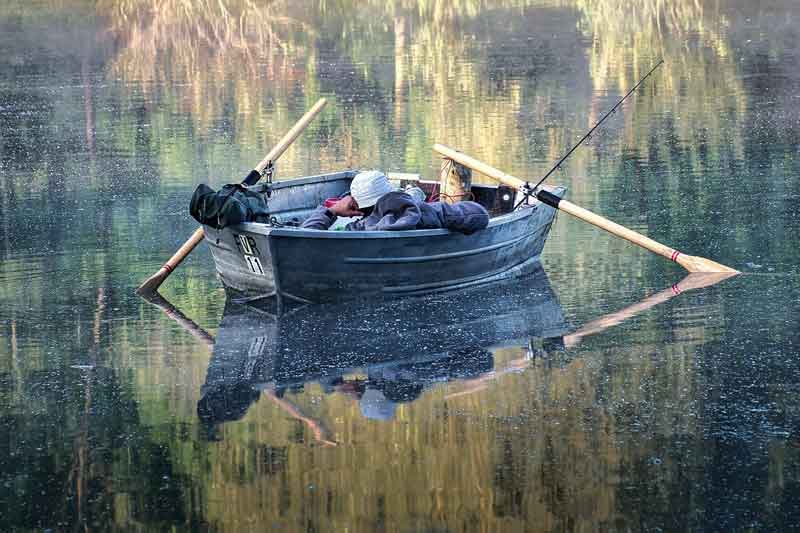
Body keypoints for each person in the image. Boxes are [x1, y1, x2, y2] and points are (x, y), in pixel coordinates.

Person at [300, 170, 489, 233]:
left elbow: (305, 236)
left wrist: (331, 211)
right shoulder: (423, 212)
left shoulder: (359, 228)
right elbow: (478, 213)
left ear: (355, 206)